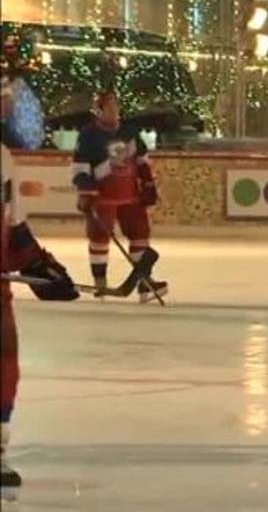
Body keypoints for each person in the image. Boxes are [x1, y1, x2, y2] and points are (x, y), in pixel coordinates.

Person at [1, 75, 79, 489]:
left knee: (3, 371)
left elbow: (12, 229)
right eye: (6, 99)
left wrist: (38, 265)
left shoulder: (3, 159)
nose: (11, 107)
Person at [71, 91, 167, 302]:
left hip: (130, 195)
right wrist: (86, 191)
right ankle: (100, 282)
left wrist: (148, 183)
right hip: (102, 195)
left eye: (117, 106)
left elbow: (141, 160)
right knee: (99, 237)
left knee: (139, 234)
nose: (115, 111)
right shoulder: (89, 135)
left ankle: (144, 283)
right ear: (99, 110)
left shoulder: (129, 131)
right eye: (110, 107)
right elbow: (80, 167)